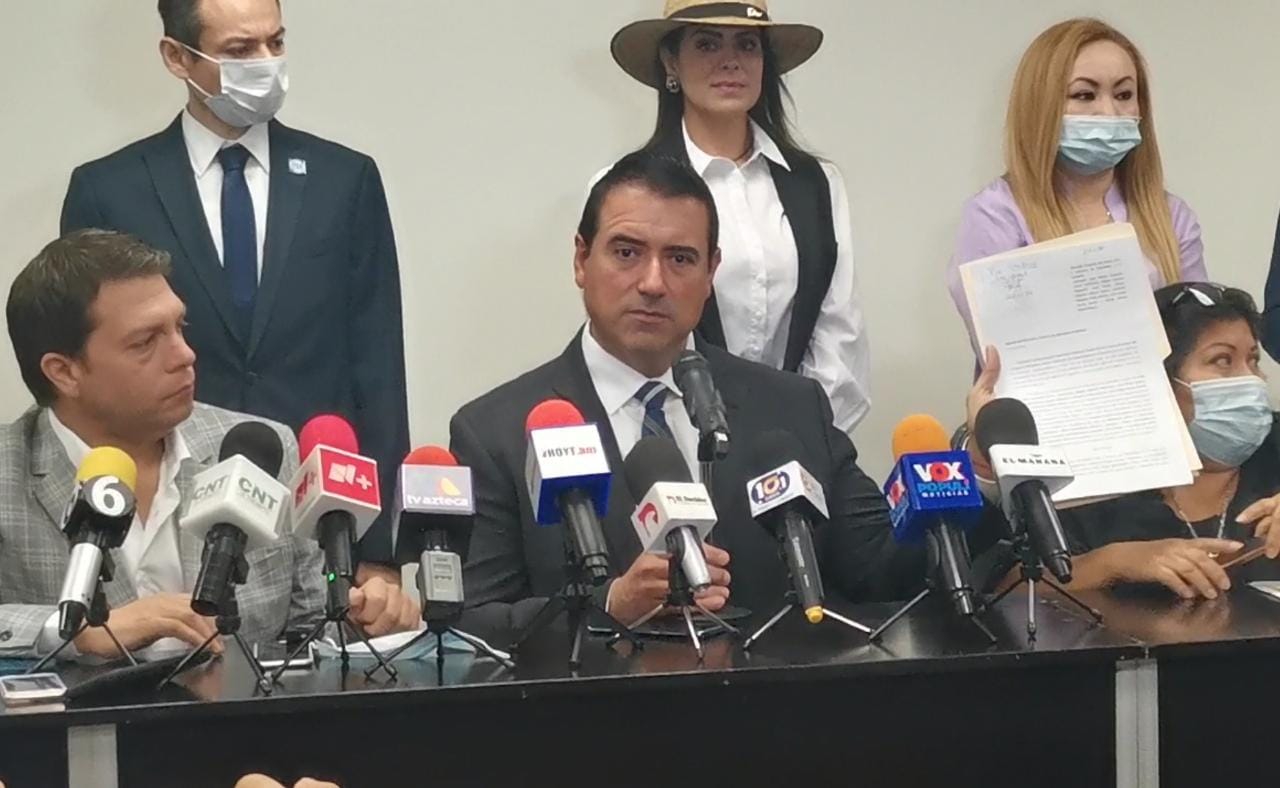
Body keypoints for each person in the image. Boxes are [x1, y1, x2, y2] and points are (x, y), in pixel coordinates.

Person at [452, 153, 915, 634]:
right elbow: (471, 624)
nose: (653, 283)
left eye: (680, 259)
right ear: (581, 260)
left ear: (711, 271)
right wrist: (608, 606)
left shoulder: (791, 407)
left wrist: (963, 506)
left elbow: (881, 571)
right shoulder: (497, 433)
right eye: (626, 253)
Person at [59, 0, 408, 564]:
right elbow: (93, 374)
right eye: (241, 50)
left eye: (276, 42)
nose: (266, 63)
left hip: (322, 509)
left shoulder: (344, 179)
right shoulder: (109, 191)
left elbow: (378, 368)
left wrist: (378, 555)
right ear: (177, 57)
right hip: (170, 511)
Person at [0, 230, 418, 660]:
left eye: (179, 327)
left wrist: (362, 619)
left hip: (236, 704)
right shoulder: (8, 470)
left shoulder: (258, 449)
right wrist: (74, 632)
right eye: (145, 342)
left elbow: (313, 630)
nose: (184, 355)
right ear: (64, 372)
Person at [605, 0, 870, 433]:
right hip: (673, 439)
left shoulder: (817, 184)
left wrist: (803, 438)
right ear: (671, 61)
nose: (730, 61)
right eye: (707, 44)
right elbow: (625, 337)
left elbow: (840, 334)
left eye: (747, 45)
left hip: (797, 442)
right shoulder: (625, 188)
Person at [966, 282, 1278, 600]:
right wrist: (1111, 562)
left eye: (1253, 360)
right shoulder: (1094, 477)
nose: (1250, 379)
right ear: (1160, 380)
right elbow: (1007, 588)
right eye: (1222, 361)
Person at [947, 18, 1206, 351]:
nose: (1109, 112)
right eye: (1084, 95)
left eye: (1124, 94)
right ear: (1041, 107)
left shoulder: (1172, 216)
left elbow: (1198, 342)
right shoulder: (996, 215)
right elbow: (1004, 352)